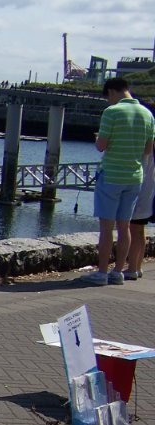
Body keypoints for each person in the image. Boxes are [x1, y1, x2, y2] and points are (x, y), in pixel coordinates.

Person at [83, 77, 155, 285]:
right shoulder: (147, 114)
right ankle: (118, 272)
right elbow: (148, 150)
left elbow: (102, 145)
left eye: (108, 98)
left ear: (112, 92)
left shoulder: (112, 113)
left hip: (112, 175)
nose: (109, 102)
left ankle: (102, 273)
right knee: (124, 227)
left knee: (106, 228)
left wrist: (99, 138)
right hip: (134, 177)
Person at [126, 146, 155, 280]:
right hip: (149, 187)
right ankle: (137, 267)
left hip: (141, 186)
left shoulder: (146, 146)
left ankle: (132, 268)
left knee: (134, 227)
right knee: (140, 228)